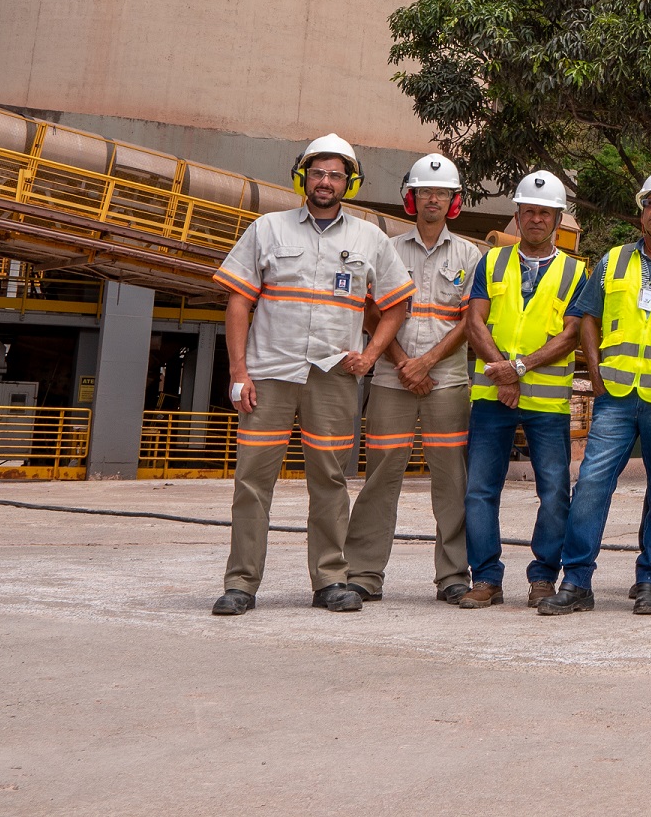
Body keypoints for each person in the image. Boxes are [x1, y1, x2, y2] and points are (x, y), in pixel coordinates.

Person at [209, 134, 414, 615]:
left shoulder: (369, 239)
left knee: (329, 479)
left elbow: (396, 305)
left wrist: (372, 355)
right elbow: (239, 299)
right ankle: (241, 583)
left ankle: (329, 580)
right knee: (253, 481)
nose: (325, 182)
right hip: (271, 374)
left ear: (350, 183)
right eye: (318, 172)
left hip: (333, 378)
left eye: (335, 175)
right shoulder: (267, 229)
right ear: (304, 176)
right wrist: (238, 371)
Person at [539, 167, 651, 616]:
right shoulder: (613, 261)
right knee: (592, 485)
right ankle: (576, 581)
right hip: (615, 396)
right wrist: (595, 374)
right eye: (650, 202)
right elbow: (587, 318)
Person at [346, 154, 484, 605]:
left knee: (452, 480)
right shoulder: (385, 248)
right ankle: (364, 573)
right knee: (380, 476)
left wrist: (426, 364)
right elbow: (371, 312)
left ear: (453, 201)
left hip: (446, 384)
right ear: (412, 197)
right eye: (426, 191)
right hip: (391, 379)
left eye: (442, 193)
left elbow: (469, 322)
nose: (433, 199)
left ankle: (453, 576)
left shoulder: (469, 254)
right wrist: (406, 362)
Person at [458, 171, 585, 609]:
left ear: (556, 219)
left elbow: (571, 335)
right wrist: (504, 374)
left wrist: (517, 369)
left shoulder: (577, 272)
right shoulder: (491, 262)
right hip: (492, 398)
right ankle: (486, 578)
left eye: (544, 212)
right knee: (479, 489)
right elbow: (474, 322)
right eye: (528, 211)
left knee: (554, 491)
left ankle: (543, 577)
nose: (535, 219)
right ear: (516, 215)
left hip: (546, 403)